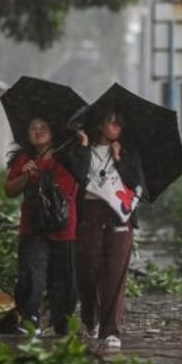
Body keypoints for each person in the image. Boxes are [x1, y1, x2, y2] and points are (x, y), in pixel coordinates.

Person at [73, 108, 146, 350]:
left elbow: (137, 184)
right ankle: (90, 318)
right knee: (88, 270)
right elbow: (78, 175)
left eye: (120, 125)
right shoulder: (82, 149)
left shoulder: (127, 153)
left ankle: (111, 329)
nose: (117, 129)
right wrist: (83, 148)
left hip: (119, 216)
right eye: (113, 124)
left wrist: (118, 160)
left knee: (115, 272)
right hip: (89, 214)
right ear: (100, 125)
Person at [3, 117, 81, 335]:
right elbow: (9, 190)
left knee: (63, 280)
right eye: (32, 127)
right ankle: (30, 320)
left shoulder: (68, 156)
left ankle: (62, 323)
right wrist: (26, 176)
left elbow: (75, 183)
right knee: (31, 277)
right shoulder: (23, 159)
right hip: (33, 228)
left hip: (64, 228)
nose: (37, 131)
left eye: (43, 127)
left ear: (53, 131)